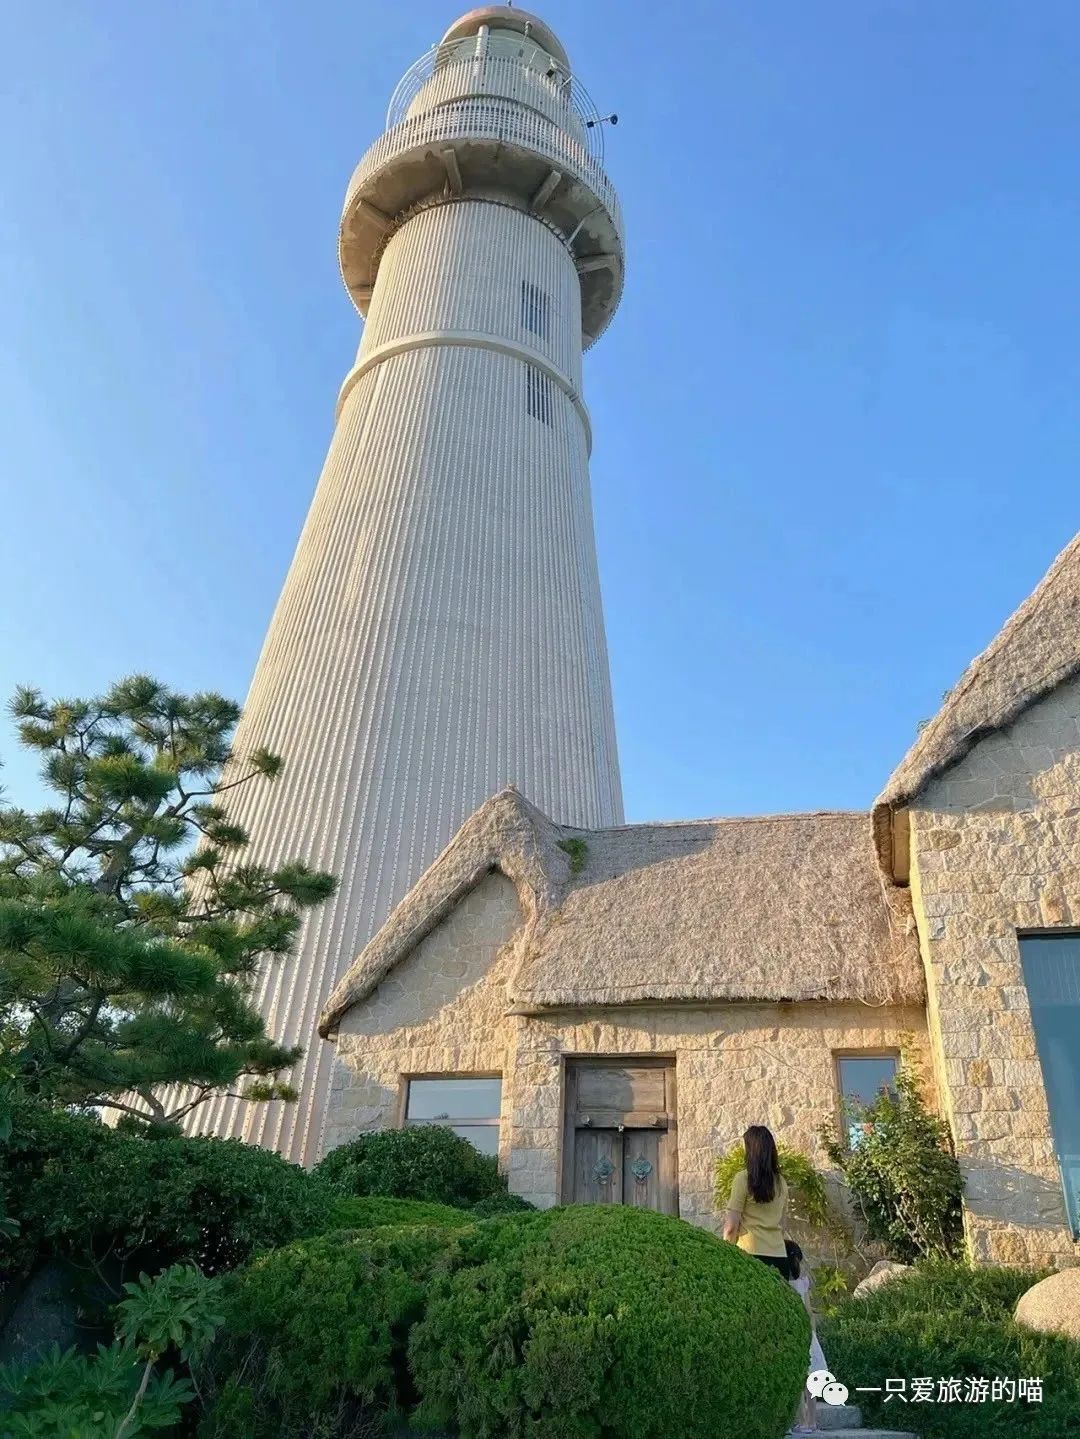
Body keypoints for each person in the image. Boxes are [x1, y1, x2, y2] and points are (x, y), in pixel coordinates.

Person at [722, 1125, 791, 1277]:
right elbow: (783, 1225)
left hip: (749, 1255)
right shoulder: (781, 1182)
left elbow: (731, 1227)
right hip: (779, 1257)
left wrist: (726, 1254)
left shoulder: (743, 1179)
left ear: (751, 1151)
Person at [787, 1240, 827, 1435]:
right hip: (808, 1335)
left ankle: (801, 1422)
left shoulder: (783, 1284)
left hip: (793, 1335)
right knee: (811, 1382)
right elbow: (809, 1312)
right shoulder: (803, 1283)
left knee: (797, 1381)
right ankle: (812, 1422)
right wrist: (812, 1335)